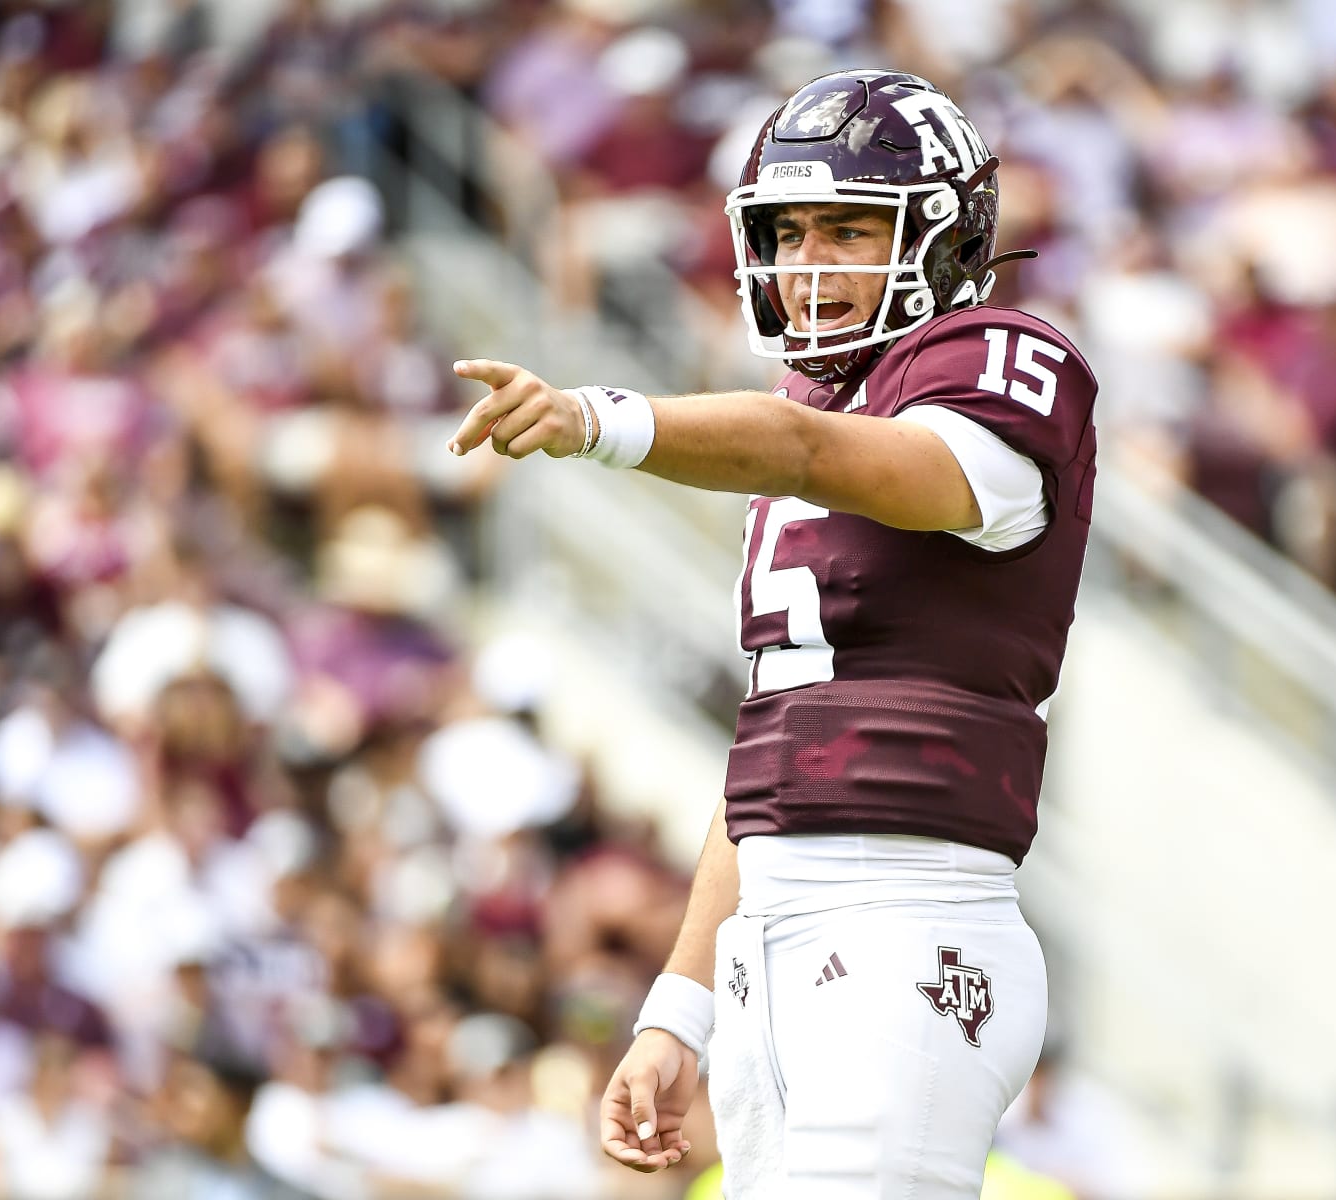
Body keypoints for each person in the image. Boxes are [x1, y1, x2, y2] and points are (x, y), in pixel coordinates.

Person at [448, 70, 1097, 1197]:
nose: (810, 265)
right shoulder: (814, 414)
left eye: (850, 230)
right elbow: (774, 771)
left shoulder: (998, 364)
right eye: (790, 234)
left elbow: (809, 453)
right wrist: (677, 1013)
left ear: (946, 237)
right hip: (773, 943)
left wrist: (603, 420)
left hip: (911, 919)